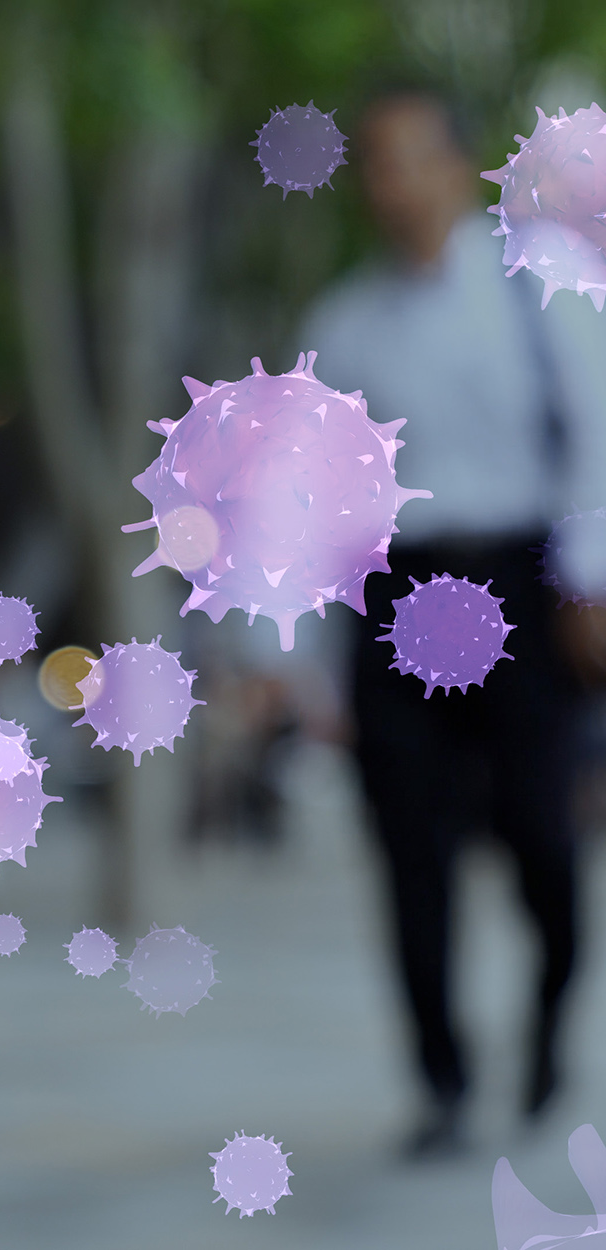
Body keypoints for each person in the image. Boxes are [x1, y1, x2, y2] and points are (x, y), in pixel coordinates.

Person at [303, 90, 606, 1158]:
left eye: (414, 160)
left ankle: (551, 1017)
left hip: (521, 589)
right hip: (396, 603)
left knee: (539, 833)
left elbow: (594, 442)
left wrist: (591, 587)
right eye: (375, 165)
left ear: (459, 166)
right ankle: (440, 1076)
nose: (396, 185)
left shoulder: (539, 292)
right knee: (407, 847)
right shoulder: (342, 323)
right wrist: (290, 655)